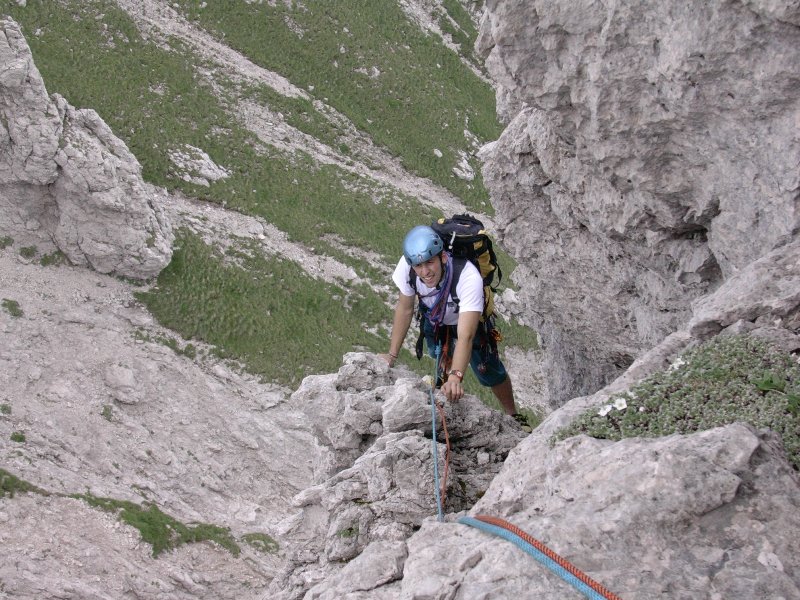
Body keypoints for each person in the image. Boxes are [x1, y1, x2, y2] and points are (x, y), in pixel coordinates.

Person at [379, 225, 524, 423]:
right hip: (436, 316)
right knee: (439, 355)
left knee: (489, 371)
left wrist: (457, 376)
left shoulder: (467, 277)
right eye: (419, 266)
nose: (425, 271)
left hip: (469, 320)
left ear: (443, 257)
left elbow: (466, 336)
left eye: (430, 262)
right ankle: (444, 391)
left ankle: (514, 416)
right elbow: (405, 308)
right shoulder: (407, 266)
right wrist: (391, 355)